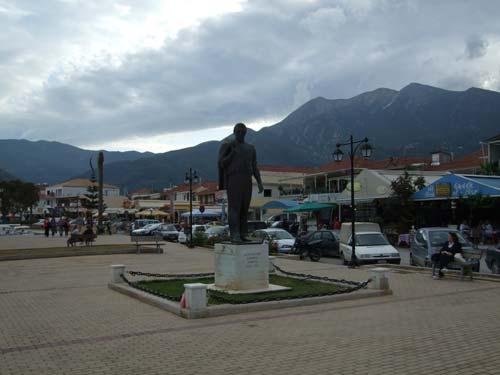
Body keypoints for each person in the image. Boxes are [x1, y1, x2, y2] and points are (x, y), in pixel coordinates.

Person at [218, 123, 264, 243]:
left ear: (245, 133)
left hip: (247, 180)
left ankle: (243, 233)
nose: (240, 134)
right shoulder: (228, 145)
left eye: (243, 132)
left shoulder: (250, 148)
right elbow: (222, 163)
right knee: (234, 208)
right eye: (238, 132)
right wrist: (232, 153)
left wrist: (259, 182)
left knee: (245, 208)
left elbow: (254, 166)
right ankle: (234, 234)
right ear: (234, 132)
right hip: (234, 178)